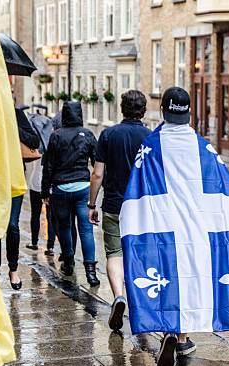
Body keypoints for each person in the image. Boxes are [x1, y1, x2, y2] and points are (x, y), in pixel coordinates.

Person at [120, 87, 229, 366]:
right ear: (189, 113)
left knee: (166, 275)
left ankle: (170, 330)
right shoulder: (204, 147)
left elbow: (138, 189)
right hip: (196, 228)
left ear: (163, 110)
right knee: (190, 278)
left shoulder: (152, 146)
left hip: (162, 225)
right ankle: (181, 338)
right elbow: (226, 190)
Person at [88, 90, 151, 331]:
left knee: (114, 253)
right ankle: (137, 301)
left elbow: (97, 174)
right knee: (138, 254)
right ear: (143, 111)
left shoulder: (108, 135)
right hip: (141, 206)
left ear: (121, 109)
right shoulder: (149, 137)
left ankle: (119, 296)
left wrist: (92, 205)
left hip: (114, 205)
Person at [42, 101, 100, 287]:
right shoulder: (88, 134)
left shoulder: (56, 136)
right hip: (82, 188)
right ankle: (91, 273)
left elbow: (48, 167)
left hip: (61, 188)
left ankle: (68, 263)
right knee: (86, 229)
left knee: (65, 227)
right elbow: (96, 162)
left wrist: (45, 191)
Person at [0, 106, 41, 290]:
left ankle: (13, 269)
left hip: (13, 179)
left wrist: (13, 127)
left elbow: (34, 140)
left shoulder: (16, 114)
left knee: (12, 225)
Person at [25, 113, 56, 256]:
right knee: (50, 216)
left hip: (36, 184)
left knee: (35, 214)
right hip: (50, 185)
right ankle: (50, 247)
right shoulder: (54, 142)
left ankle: (34, 242)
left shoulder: (35, 143)